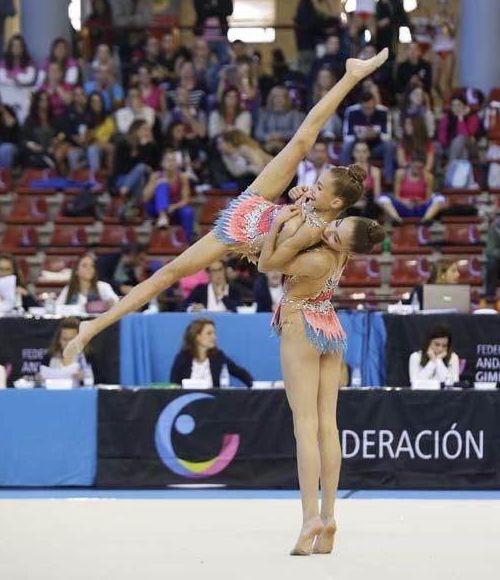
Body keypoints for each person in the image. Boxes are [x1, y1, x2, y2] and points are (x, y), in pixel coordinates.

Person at [63, 50, 390, 367]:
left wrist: (293, 214)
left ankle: (91, 328)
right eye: (315, 183)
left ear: (336, 204)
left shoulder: (323, 236)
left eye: (320, 187)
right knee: (301, 141)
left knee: (169, 273)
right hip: (255, 203)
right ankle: (350, 76)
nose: (312, 186)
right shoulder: (319, 212)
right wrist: (303, 198)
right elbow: (308, 152)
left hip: (242, 234)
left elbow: (278, 261)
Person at [257, 196, 384, 557]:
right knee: (328, 425)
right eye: (334, 225)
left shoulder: (317, 258)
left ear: (348, 250)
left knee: (305, 426)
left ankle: (310, 516)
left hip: (301, 326)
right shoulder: (342, 252)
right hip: (328, 325)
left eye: (336, 235)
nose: (329, 231)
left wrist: (279, 222)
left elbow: (268, 262)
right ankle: (329, 517)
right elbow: (326, 217)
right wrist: (306, 197)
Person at [170, 318, 253, 388]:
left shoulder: (218, 356)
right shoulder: (182, 358)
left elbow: (240, 373)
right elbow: (174, 385)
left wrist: (254, 387)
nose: (214, 337)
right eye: (209, 333)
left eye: (214, 333)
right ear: (196, 337)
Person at [376, 153, 445, 226]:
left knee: (440, 198)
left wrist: (420, 202)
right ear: (410, 163)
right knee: (383, 197)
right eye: (416, 167)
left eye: (420, 168)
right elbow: (396, 196)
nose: (418, 170)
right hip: (403, 207)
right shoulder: (400, 173)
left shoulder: (428, 177)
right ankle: (396, 219)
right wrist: (404, 201)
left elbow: (427, 199)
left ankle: (426, 219)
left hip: (419, 208)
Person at [340, 91, 395, 182]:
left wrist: (376, 134)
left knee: (390, 144)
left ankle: (388, 178)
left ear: (375, 104)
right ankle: (344, 177)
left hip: (375, 148)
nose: (369, 111)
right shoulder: (351, 112)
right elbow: (347, 137)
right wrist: (360, 136)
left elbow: (387, 136)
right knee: (346, 145)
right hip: (357, 148)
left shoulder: (383, 111)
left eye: (371, 108)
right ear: (360, 105)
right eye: (366, 108)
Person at [142, 149, 194, 243]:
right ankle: (162, 216)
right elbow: (145, 197)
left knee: (188, 211)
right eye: (168, 160)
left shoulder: (182, 177)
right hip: (155, 208)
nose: (171, 163)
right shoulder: (156, 175)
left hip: (173, 208)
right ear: (162, 163)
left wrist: (174, 206)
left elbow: (186, 200)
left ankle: (188, 241)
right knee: (163, 184)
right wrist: (157, 183)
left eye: (173, 160)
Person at [55, 253, 120, 309]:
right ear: (76, 271)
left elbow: (116, 303)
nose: (89, 268)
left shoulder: (103, 287)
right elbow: (57, 307)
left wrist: (110, 303)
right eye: (84, 265)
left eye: (92, 266)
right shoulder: (69, 289)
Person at [43, 318, 94, 386]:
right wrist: (38, 379)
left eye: (71, 339)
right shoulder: (49, 356)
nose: (68, 343)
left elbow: (100, 379)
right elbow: (41, 376)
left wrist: (84, 378)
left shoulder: (88, 356)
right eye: (65, 339)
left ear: (79, 339)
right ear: (58, 339)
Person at [194, 0, 233, 66]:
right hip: (203, 35)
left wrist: (209, 9)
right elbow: (199, 10)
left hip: (221, 36)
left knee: (224, 61)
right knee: (203, 61)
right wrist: (218, 10)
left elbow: (229, 11)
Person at [256, 87, 305, 155]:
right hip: (268, 144)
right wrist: (268, 137)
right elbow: (258, 132)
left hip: (288, 146)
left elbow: (298, 132)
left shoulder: (294, 114)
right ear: (271, 99)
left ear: (287, 99)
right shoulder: (265, 114)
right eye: (276, 97)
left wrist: (281, 135)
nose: (279, 99)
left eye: (282, 97)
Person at [115, 0, 153, 67]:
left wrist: (127, 20)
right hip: (123, 40)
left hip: (141, 38)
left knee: (140, 65)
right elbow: (117, 21)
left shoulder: (148, 0)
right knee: (125, 67)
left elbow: (146, 21)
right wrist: (136, 19)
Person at [409, 324, 460, 389]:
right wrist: (432, 362)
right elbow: (415, 384)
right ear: (428, 342)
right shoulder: (415, 357)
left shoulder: (453, 357)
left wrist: (438, 360)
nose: (440, 349)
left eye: (444, 346)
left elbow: (453, 386)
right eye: (437, 344)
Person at [431, 0, 458, 101]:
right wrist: (433, 27)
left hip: (449, 50)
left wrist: (446, 24)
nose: (443, 6)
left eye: (445, 3)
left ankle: (448, 103)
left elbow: (453, 34)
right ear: (437, 4)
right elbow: (431, 36)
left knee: (448, 82)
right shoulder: (433, 18)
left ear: (448, 4)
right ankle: (444, 100)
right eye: (441, 3)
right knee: (435, 82)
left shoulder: (452, 17)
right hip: (437, 50)